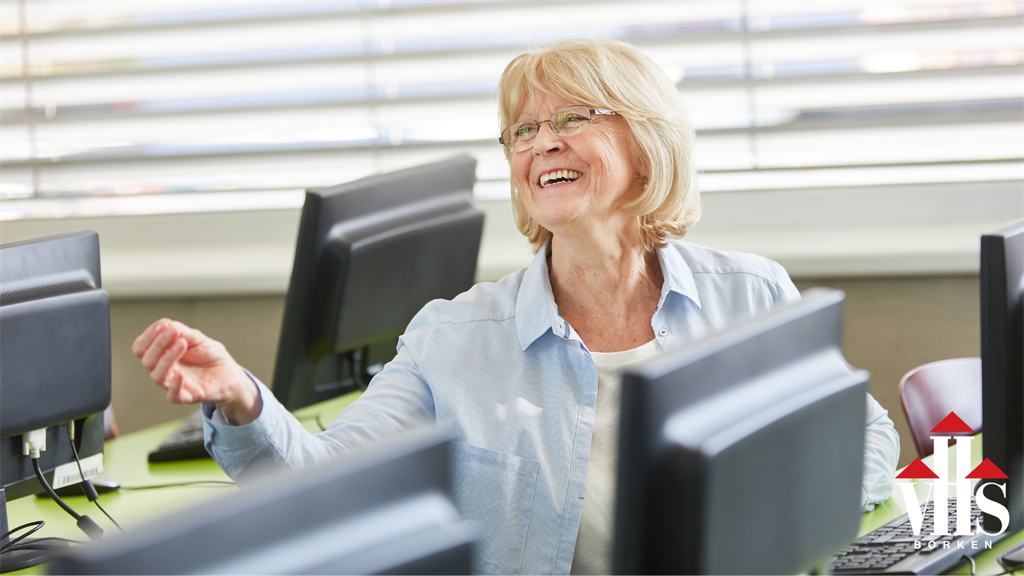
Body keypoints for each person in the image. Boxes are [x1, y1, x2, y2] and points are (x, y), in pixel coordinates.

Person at [133, 38, 899, 575]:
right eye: (523, 130)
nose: (541, 144)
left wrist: (776, 527)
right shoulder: (453, 336)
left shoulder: (752, 293)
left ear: (647, 142)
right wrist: (240, 399)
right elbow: (324, 481)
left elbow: (864, 436)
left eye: (572, 119)